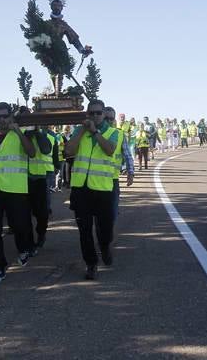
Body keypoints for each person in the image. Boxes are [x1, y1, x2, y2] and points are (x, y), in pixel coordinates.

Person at [0, 102, 37, 284]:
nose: (2, 120)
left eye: (5, 116)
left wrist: (18, 131)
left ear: (10, 116)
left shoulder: (20, 135)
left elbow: (32, 153)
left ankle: (24, 248)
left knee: (19, 226)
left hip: (15, 189)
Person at [65, 99, 119, 280]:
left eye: (98, 113)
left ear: (104, 114)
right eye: (91, 113)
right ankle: (91, 264)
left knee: (105, 229)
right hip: (81, 189)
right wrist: (81, 131)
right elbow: (68, 151)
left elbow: (110, 150)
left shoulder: (114, 133)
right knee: (84, 230)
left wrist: (95, 132)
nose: (94, 116)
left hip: (103, 189)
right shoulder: (79, 132)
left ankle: (105, 247)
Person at [22, 110, 53, 253]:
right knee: (23, 214)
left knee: (42, 213)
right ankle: (28, 243)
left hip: (39, 178)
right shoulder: (19, 135)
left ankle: (41, 234)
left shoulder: (42, 135)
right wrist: (25, 134)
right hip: (22, 180)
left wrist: (36, 132)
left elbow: (46, 149)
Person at [105, 107, 134, 222]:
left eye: (111, 119)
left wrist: (131, 172)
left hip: (112, 179)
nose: (108, 121)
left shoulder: (119, 134)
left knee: (112, 211)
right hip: (93, 180)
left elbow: (128, 155)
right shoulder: (93, 132)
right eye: (106, 118)